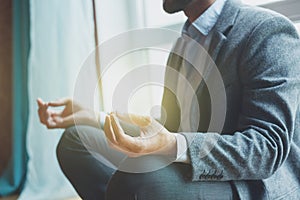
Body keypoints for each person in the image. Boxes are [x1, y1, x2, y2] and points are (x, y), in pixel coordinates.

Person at [37, 0, 300, 199]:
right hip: (192, 168)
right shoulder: (183, 44)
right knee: (77, 140)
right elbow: (166, 127)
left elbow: (266, 150)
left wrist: (173, 144)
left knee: (142, 175)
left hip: (249, 184)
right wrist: (95, 117)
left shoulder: (266, 31)